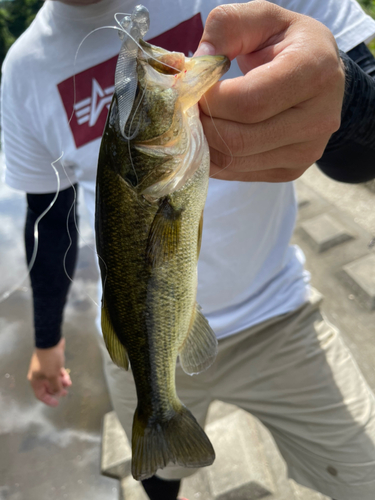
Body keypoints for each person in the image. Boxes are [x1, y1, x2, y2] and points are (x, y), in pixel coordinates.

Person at [2, 0, 375, 499]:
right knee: (158, 471)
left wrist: (343, 95)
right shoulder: (23, 70)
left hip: (280, 314)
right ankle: (160, 419)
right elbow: (50, 231)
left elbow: (362, 160)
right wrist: (47, 342)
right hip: (139, 341)